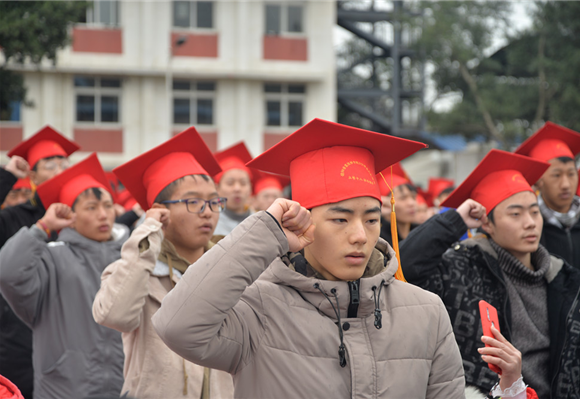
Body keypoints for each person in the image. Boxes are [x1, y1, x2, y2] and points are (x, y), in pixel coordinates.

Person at [152, 118, 465, 398]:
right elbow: (177, 327)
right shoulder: (258, 310)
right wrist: (266, 232)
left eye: (371, 219)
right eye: (340, 220)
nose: (360, 235)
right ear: (301, 222)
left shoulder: (427, 312)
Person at [399, 149, 580, 398]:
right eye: (515, 214)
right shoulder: (460, 270)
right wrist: (455, 221)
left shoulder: (567, 279)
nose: (529, 223)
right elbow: (406, 266)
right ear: (487, 223)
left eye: (534, 212)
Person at [92, 128, 234, 398]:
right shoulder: (137, 268)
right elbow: (114, 315)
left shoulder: (231, 266)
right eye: (193, 201)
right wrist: (148, 234)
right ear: (160, 209)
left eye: (214, 201)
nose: (207, 212)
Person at [0, 154, 127, 399]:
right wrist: (41, 228)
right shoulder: (51, 258)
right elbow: (7, 273)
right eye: (91, 207)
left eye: (108, 206)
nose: (103, 215)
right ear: (70, 215)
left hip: (121, 386)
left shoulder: (129, 256)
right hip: (64, 387)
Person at [0, 125, 80, 399]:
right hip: (17, 335)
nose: (61, 168)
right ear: (32, 176)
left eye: (65, 163)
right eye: (51, 163)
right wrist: (7, 176)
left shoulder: (79, 220)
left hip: (69, 333)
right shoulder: (14, 217)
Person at [514, 121, 580, 271]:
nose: (565, 184)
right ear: (538, 181)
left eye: (571, 174)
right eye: (556, 175)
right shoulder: (528, 228)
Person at [213, 142, 254, 235]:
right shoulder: (211, 222)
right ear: (217, 189)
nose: (237, 188)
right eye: (230, 183)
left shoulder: (259, 222)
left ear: (250, 189)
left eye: (243, 183)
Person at [376, 162, 418, 243]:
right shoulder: (380, 238)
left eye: (413, 197)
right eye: (403, 198)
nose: (411, 203)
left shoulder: (420, 232)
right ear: (385, 204)